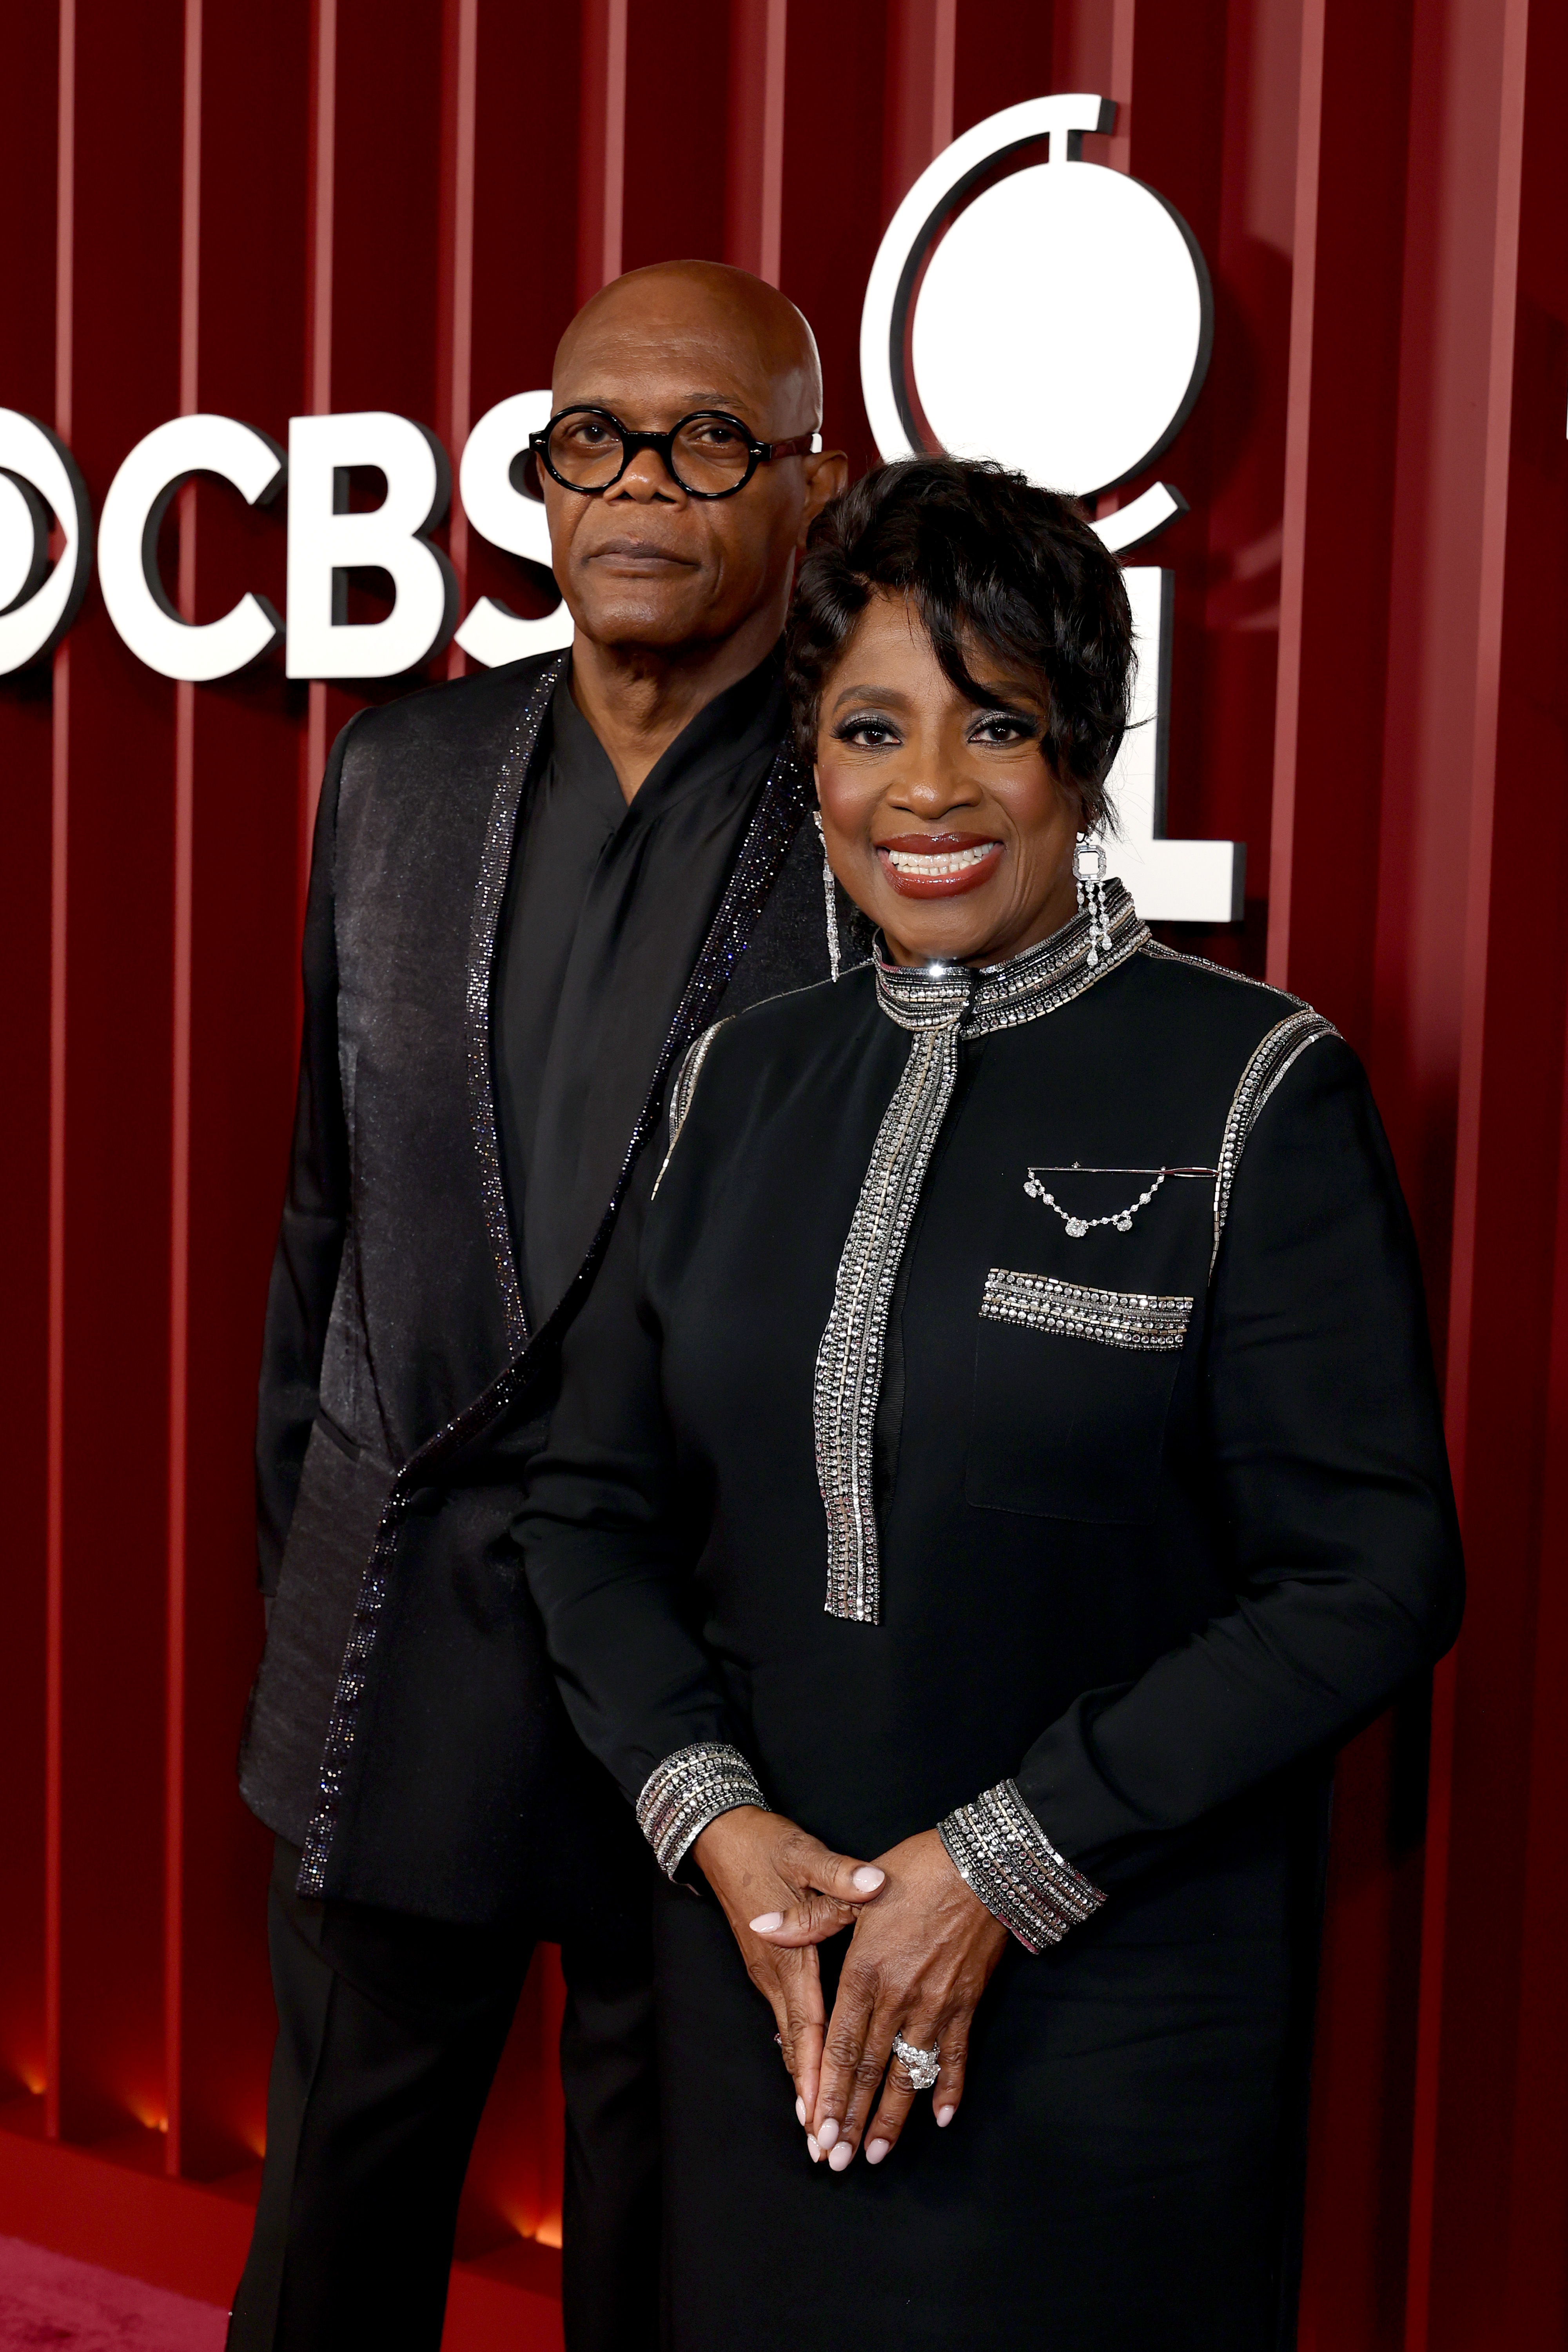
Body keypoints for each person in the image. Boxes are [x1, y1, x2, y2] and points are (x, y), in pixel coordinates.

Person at [518, 456, 1465, 2351]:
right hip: (764, 2005)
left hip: (1109, 2030)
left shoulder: (1252, 1089)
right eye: (871, 727)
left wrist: (1001, 1864)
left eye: (995, 725)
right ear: (811, 758)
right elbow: (584, 1510)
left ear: (1084, 747)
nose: (927, 792)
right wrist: (712, 1825)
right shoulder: (735, 1085)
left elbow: (1368, 1577)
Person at [225, 261, 850, 2352]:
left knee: (671, 2257)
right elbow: (329, 1212)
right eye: (591, 439)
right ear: (540, 475)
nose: (638, 487)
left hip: (715, 1681)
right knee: (334, 2233)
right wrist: (296, 1551)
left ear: (804, 482)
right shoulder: (400, 773)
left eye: (701, 441)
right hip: (398, 1635)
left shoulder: (879, 804)